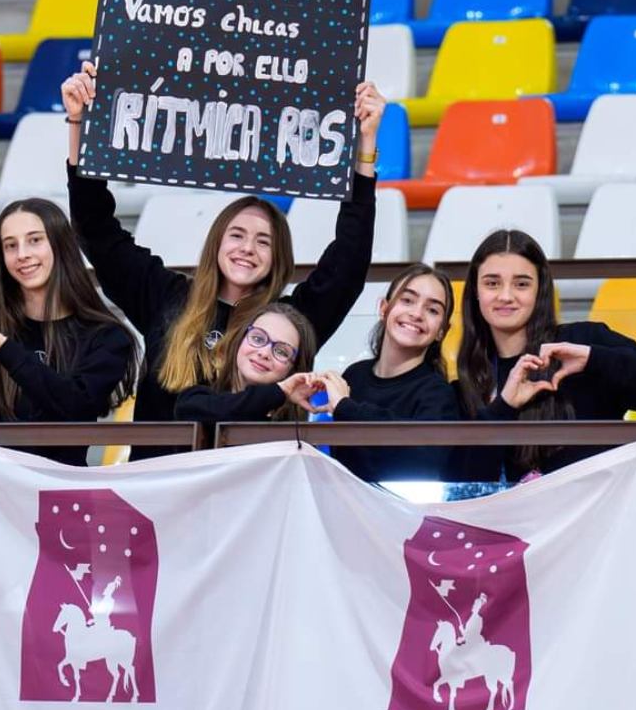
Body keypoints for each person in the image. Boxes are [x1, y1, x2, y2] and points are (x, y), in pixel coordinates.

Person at [62, 62, 384, 457]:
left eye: (263, 242)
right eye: (236, 235)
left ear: (278, 257)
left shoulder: (289, 321)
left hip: (251, 498)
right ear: (216, 242)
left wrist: (365, 149)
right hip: (159, 493)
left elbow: (349, 263)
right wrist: (80, 124)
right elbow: (96, 229)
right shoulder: (166, 296)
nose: (247, 248)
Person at [455, 229, 636, 481]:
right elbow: (464, 485)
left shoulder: (582, 342)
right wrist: (503, 408)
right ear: (475, 292)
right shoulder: (468, 383)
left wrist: (595, 359)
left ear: (540, 290)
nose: (506, 296)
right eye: (492, 283)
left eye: (521, 284)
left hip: (602, 515)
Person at [0, 198, 139, 465]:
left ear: (60, 246)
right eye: (10, 245)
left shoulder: (106, 336)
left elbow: (75, 406)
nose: (22, 254)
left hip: (59, 493)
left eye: (35, 240)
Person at [319, 264, 460, 482]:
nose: (416, 314)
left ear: (442, 330)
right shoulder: (354, 375)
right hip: (345, 506)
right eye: (407, 300)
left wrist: (347, 408)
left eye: (432, 310)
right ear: (384, 308)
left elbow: (423, 462)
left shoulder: (438, 394)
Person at [174, 303, 319, 432]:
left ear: (293, 370)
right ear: (239, 340)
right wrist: (279, 392)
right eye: (258, 338)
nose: (264, 353)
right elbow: (193, 412)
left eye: (281, 351)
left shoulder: (292, 434)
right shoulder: (196, 399)